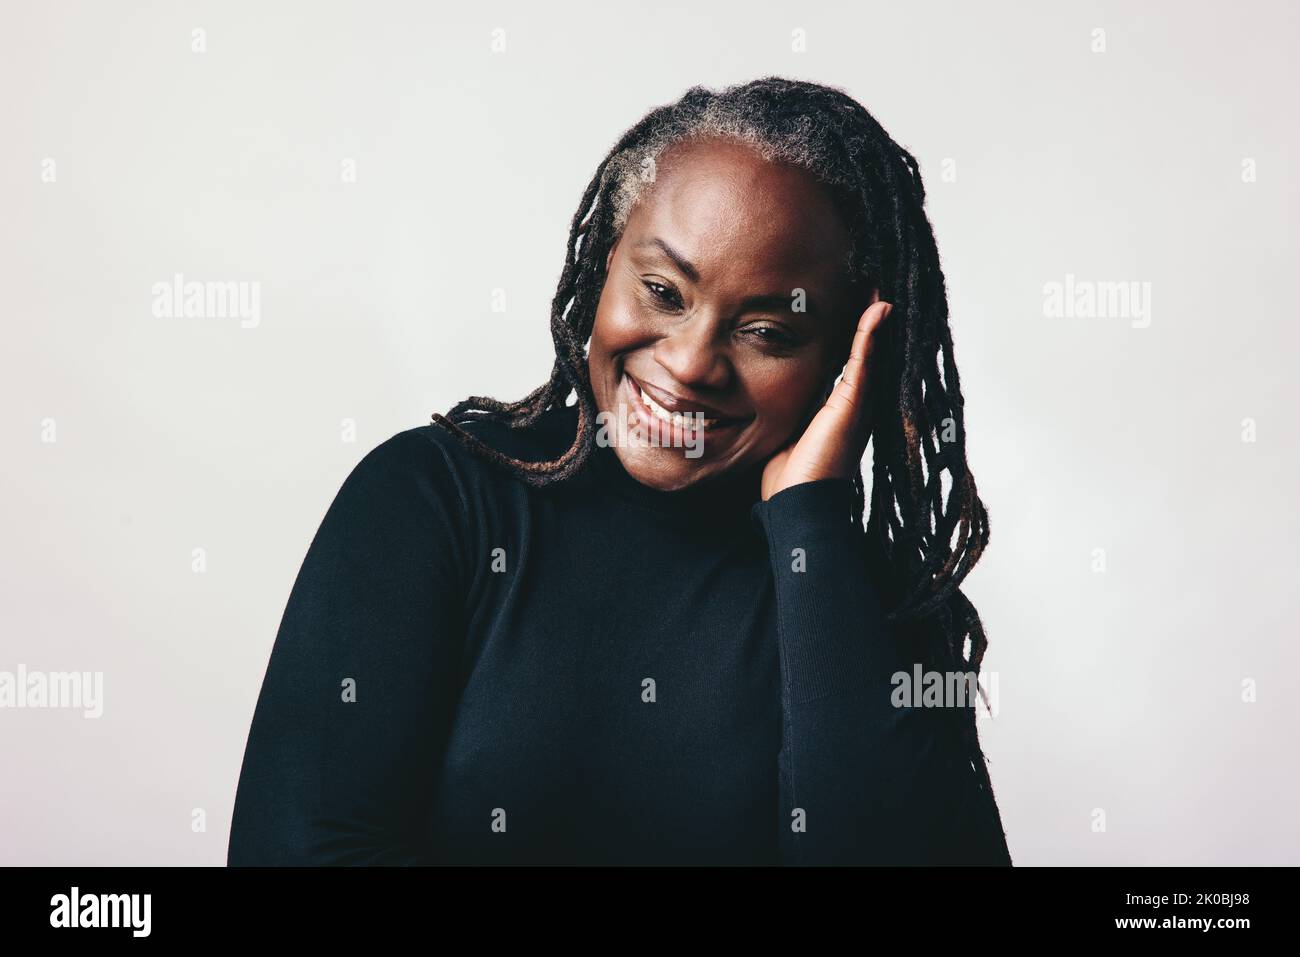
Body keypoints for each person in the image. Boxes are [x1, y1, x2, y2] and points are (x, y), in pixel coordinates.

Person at [227, 76, 1012, 866]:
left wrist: (810, 518)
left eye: (767, 331)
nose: (691, 363)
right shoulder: (433, 503)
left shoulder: (865, 604)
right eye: (663, 291)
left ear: (848, 357)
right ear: (607, 258)